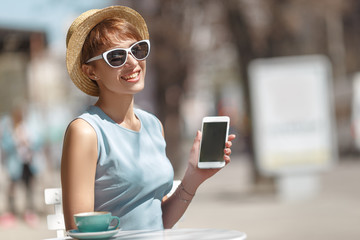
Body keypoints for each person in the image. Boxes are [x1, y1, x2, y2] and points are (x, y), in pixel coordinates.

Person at [61, 5, 236, 231]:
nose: (133, 62)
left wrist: (194, 176)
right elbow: (78, 228)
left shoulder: (153, 125)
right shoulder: (85, 131)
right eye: (116, 56)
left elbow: (159, 220)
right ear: (91, 71)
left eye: (138, 50)